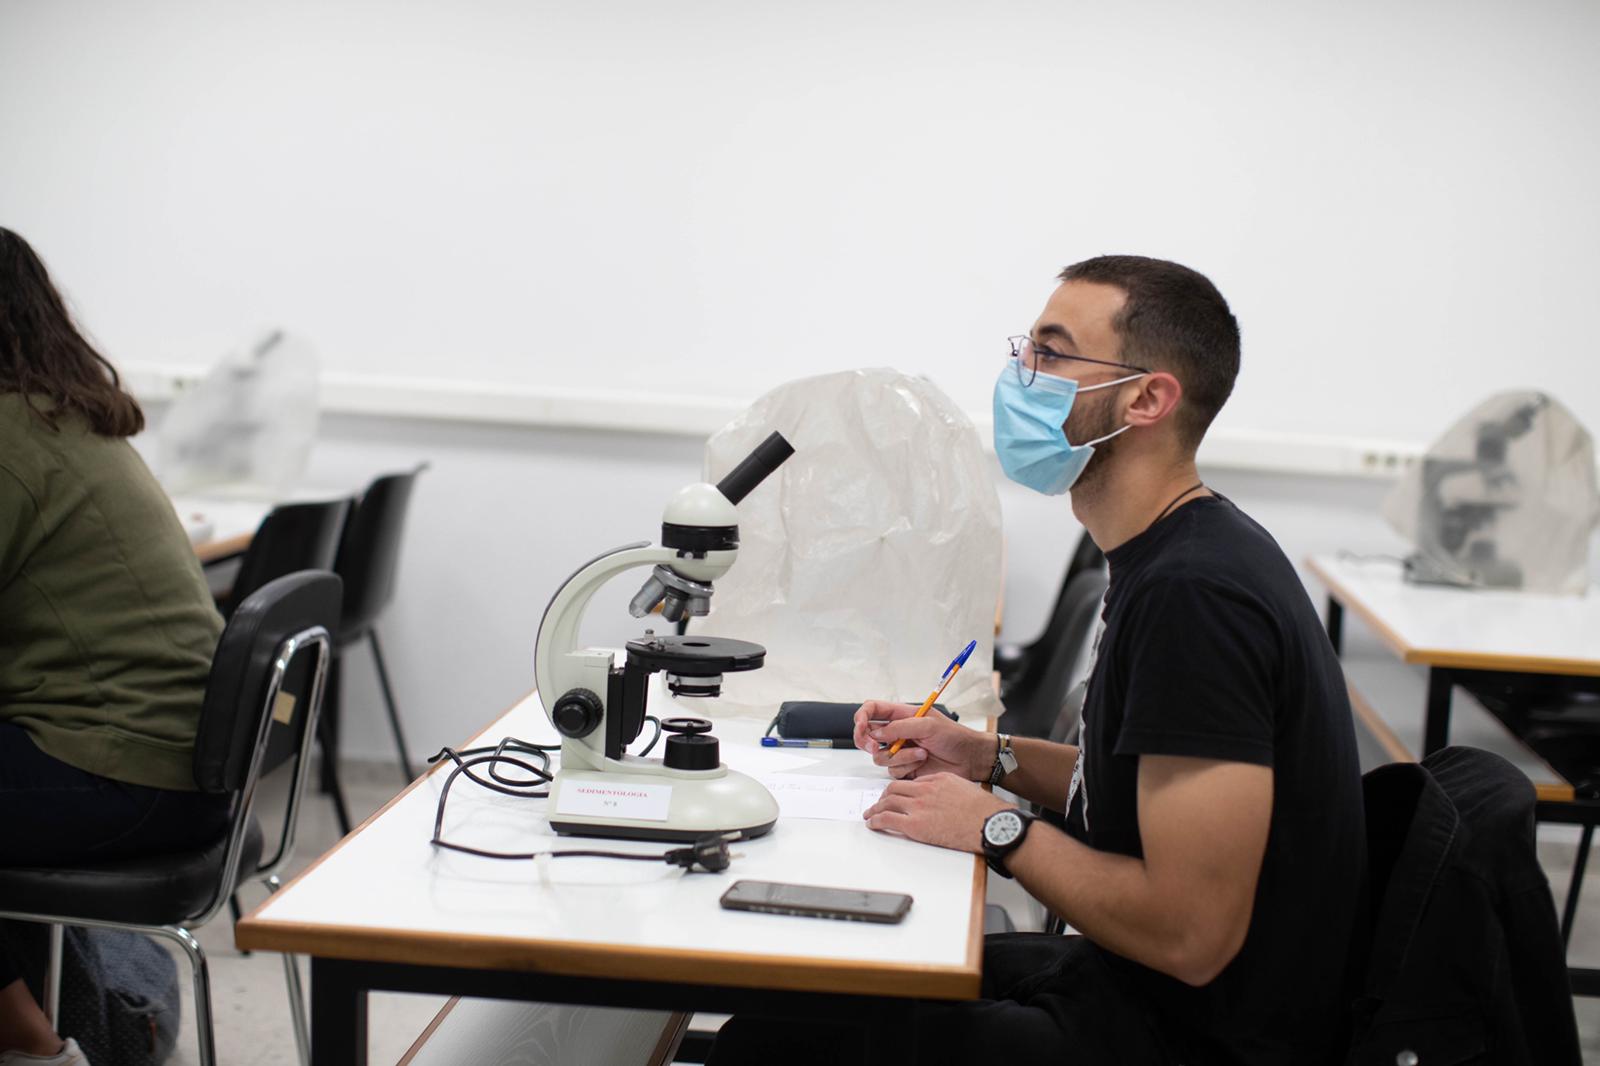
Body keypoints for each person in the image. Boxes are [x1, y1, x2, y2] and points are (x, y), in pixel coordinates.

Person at [709, 256, 1365, 1065]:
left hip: (1195, 1037)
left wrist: (997, 826)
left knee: (772, 1050)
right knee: (800, 1011)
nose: (1021, 376)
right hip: (1137, 989)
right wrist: (989, 755)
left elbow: (1194, 933)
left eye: (1051, 356)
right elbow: (1130, 782)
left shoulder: (1196, 596)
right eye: (1026, 351)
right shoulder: (1169, 553)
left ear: (1148, 399)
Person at [0, 229, 231, 1066]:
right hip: (175, 769)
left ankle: (30, 1046)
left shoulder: (8, 435)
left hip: (119, 774)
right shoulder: (58, 416)